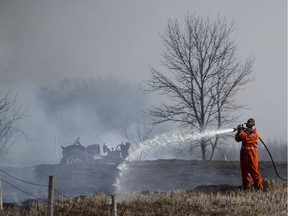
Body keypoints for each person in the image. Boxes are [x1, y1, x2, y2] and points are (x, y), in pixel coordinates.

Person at [235, 118, 263, 191]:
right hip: (243, 153)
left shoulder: (255, 133)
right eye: (247, 125)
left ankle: (259, 187)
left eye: (249, 125)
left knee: (254, 170)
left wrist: (241, 132)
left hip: (252, 153)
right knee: (244, 170)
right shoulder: (245, 132)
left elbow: (247, 139)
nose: (248, 127)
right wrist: (238, 132)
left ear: (253, 126)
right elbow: (237, 139)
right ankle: (246, 186)